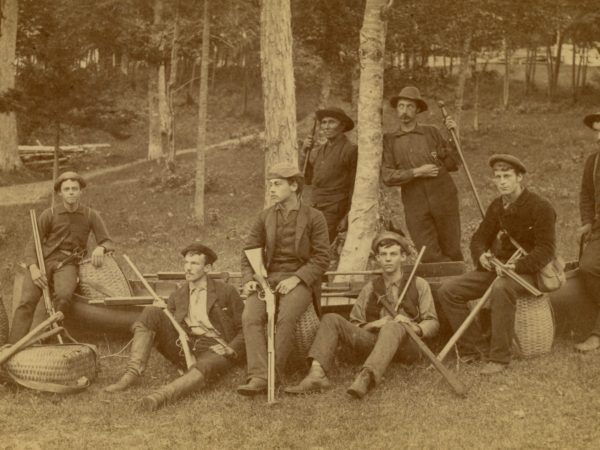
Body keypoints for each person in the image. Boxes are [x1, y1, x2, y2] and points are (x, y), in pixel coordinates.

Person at [437, 154, 557, 375]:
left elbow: (546, 250)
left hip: (529, 272)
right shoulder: (497, 206)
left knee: (501, 288)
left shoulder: (540, 207)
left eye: (507, 176)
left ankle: (500, 357)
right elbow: (479, 239)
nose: (501, 181)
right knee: (448, 290)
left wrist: (517, 267)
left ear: (520, 177)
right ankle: (473, 347)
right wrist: (481, 255)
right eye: (497, 177)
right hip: (498, 268)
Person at [284, 231, 438, 399]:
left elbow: (432, 322)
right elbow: (355, 322)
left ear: (403, 257)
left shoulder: (419, 284)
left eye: (393, 254)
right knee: (331, 319)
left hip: (408, 346)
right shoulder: (370, 288)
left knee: (393, 326)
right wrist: (375, 324)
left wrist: (412, 327)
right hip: (374, 342)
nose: (387, 259)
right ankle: (316, 375)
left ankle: (366, 376)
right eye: (383, 255)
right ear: (377, 259)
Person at [105, 243, 245, 411]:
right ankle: (131, 374)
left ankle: (158, 398)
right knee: (151, 311)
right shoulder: (178, 294)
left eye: (194, 264)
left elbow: (245, 328)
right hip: (185, 344)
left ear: (207, 268)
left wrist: (231, 348)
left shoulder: (227, 291)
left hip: (215, 347)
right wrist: (162, 311)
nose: (188, 268)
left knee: (205, 367)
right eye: (186, 263)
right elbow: (170, 324)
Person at [237, 163, 330, 396]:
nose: (271, 190)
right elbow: (249, 251)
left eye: (277, 184)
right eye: (270, 185)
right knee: (250, 316)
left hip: (298, 279)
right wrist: (250, 278)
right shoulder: (265, 216)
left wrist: (298, 278)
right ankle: (258, 376)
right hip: (267, 279)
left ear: (294, 185)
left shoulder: (314, 217)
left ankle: (274, 374)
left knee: (287, 318)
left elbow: (322, 258)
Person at [9, 171, 114, 344]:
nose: (71, 192)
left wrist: (101, 248)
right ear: (60, 193)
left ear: (81, 191)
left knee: (64, 295)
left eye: (75, 188)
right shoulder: (49, 214)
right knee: (27, 301)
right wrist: (33, 268)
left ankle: (52, 334)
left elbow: (108, 241)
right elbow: (32, 244)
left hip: (68, 263)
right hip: (43, 262)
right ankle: (12, 345)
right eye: (67, 189)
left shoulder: (90, 215)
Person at [381, 86, 462, 263]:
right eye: (401, 106)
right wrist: (417, 172)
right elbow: (387, 176)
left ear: (417, 109)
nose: (405, 111)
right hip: (413, 197)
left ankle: (457, 285)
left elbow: (453, 163)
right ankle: (434, 288)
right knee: (426, 250)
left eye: (410, 106)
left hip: (442, 193)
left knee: (452, 246)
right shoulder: (390, 140)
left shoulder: (431, 132)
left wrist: (453, 136)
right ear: (396, 109)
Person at [301, 106, 358, 242]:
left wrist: (347, 216)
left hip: (335, 209)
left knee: (320, 246)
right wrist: (304, 153)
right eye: (324, 122)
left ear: (342, 125)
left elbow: (355, 188)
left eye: (331, 122)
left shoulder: (350, 151)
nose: (326, 126)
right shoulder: (319, 151)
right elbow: (307, 180)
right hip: (315, 207)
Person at [574, 113, 600, 352]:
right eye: (597, 132)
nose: (599, 137)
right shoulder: (593, 161)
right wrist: (586, 221)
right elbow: (586, 194)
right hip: (599, 229)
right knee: (588, 267)